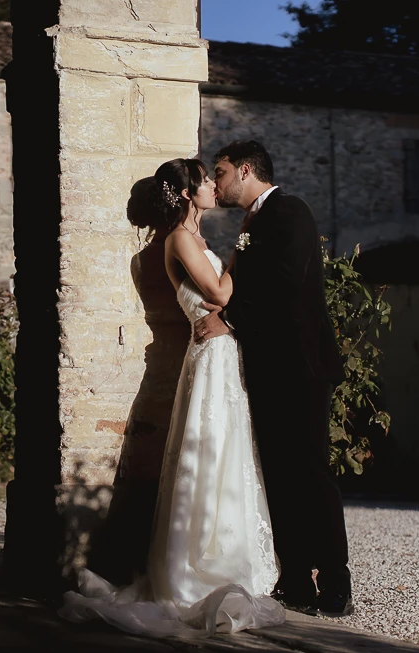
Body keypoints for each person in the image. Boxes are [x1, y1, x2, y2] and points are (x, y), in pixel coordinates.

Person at [59, 158, 286, 637]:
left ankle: (225, 557)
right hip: (208, 360)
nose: (211, 186)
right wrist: (244, 245)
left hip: (222, 355)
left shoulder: (195, 240)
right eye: (204, 180)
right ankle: (195, 570)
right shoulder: (180, 240)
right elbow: (221, 292)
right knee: (208, 456)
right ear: (186, 193)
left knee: (225, 457)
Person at [194, 140, 353, 617]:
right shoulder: (253, 222)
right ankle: (297, 579)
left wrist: (232, 318)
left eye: (220, 173)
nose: (216, 183)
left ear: (245, 170)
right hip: (268, 367)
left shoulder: (290, 211)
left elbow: (285, 281)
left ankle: (337, 580)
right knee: (279, 475)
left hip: (301, 368)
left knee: (309, 473)